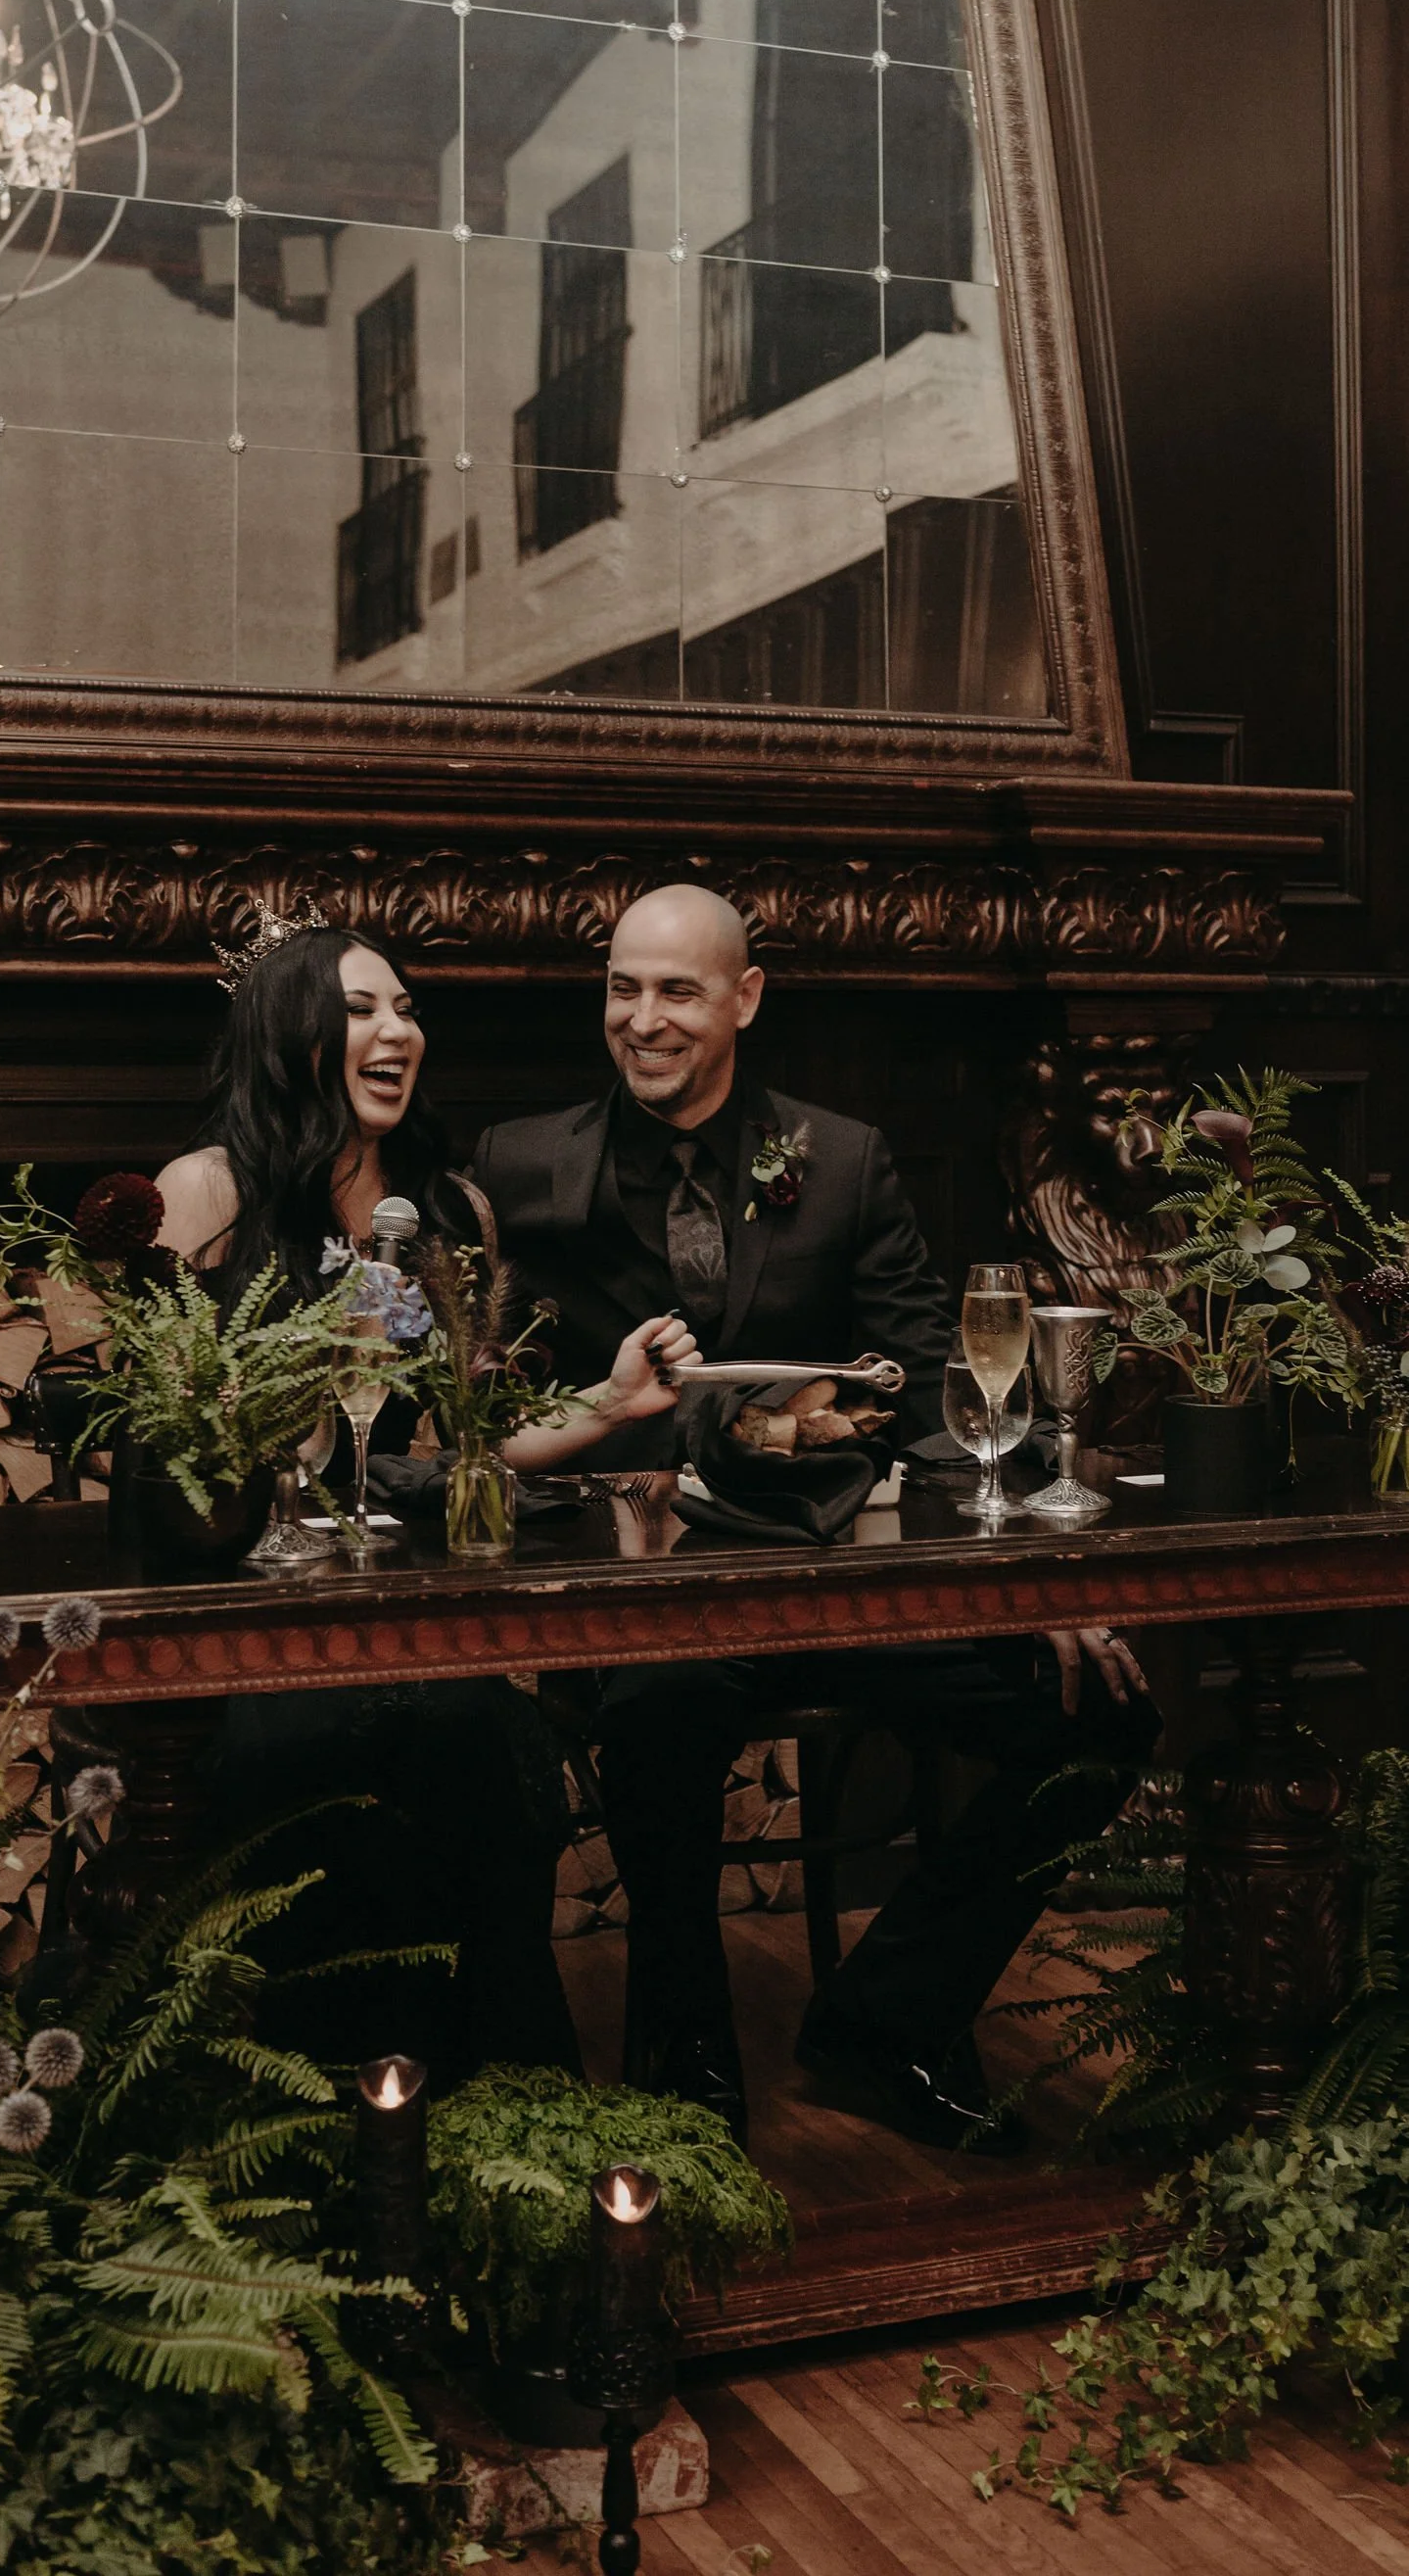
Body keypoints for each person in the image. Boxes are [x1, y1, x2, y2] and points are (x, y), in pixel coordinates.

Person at [471, 884, 1160, 2149]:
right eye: (622, 988)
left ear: (744, 999)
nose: (641, 1019)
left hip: (833, 1576)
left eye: (676, 991)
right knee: (661, 1714)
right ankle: (686, 2061)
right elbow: (487, 1406)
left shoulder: (840, 1159)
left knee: (1098, 1714)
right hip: (645, 1601)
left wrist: (1034, 1574)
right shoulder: (517, 1166)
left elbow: (937, 1394)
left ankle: (889, 2016)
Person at [154, 918, 696, 2088]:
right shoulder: (206, 1193)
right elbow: (167, 1441)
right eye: (361, 1010)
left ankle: (478, 2094)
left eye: (405, 1008)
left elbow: (476, 1440)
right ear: (287, 1032)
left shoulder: (450, 1211)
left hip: (409, 1602)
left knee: (478, 1735)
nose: (397, 1031)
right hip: (257, 1607)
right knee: (311, 1750)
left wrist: (610, 1402)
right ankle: (303, 2100)